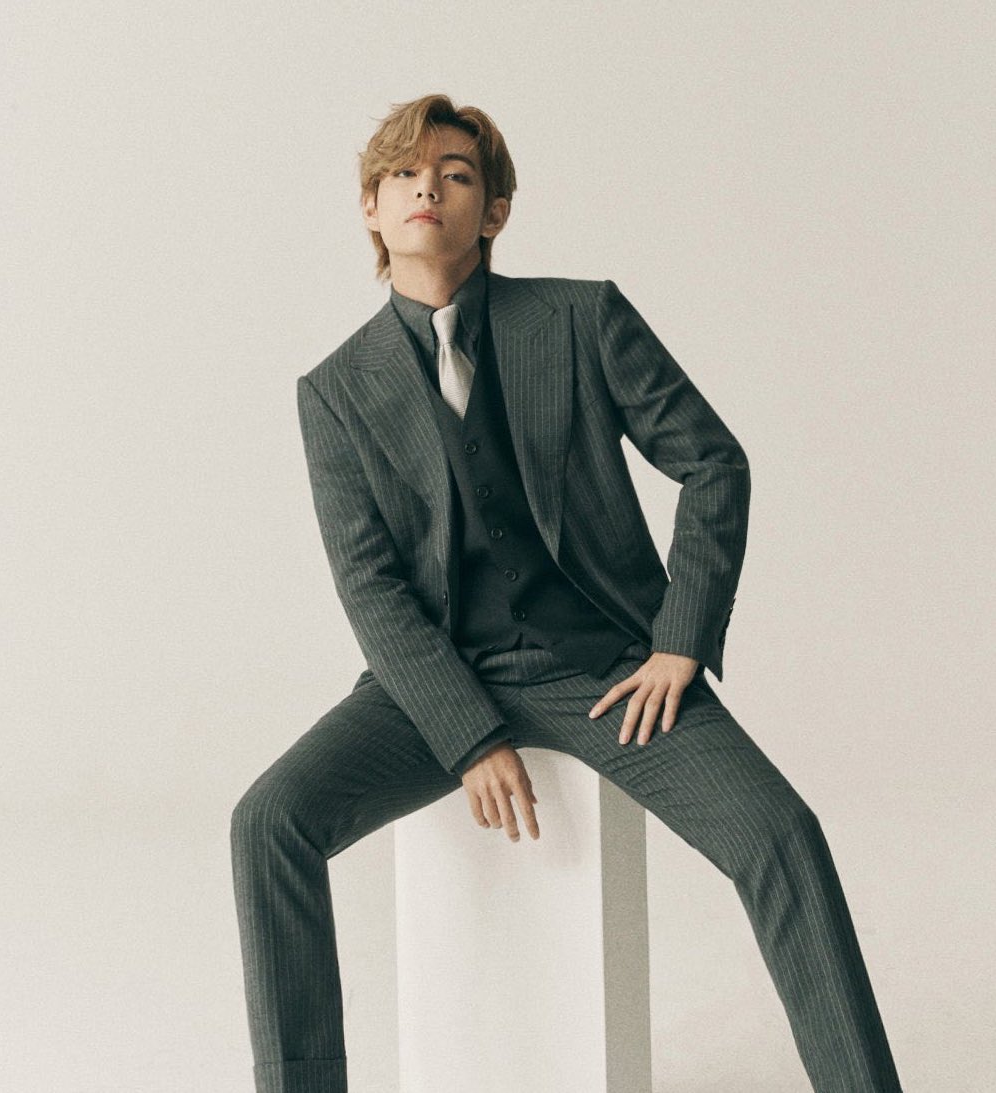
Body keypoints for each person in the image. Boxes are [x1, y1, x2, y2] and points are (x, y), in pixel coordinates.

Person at [230, 93, 903, 1093]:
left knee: (781, 835)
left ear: (494, 210)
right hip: (433, 679)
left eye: (456, 174)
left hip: (605, 670)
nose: (427, 188)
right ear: (370, 207)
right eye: (403, 174)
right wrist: (466, 734)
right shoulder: (335, 389)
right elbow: (370, 586)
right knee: (268, 821)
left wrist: (679, 637)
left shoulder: (581, 319)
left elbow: (713, 462)